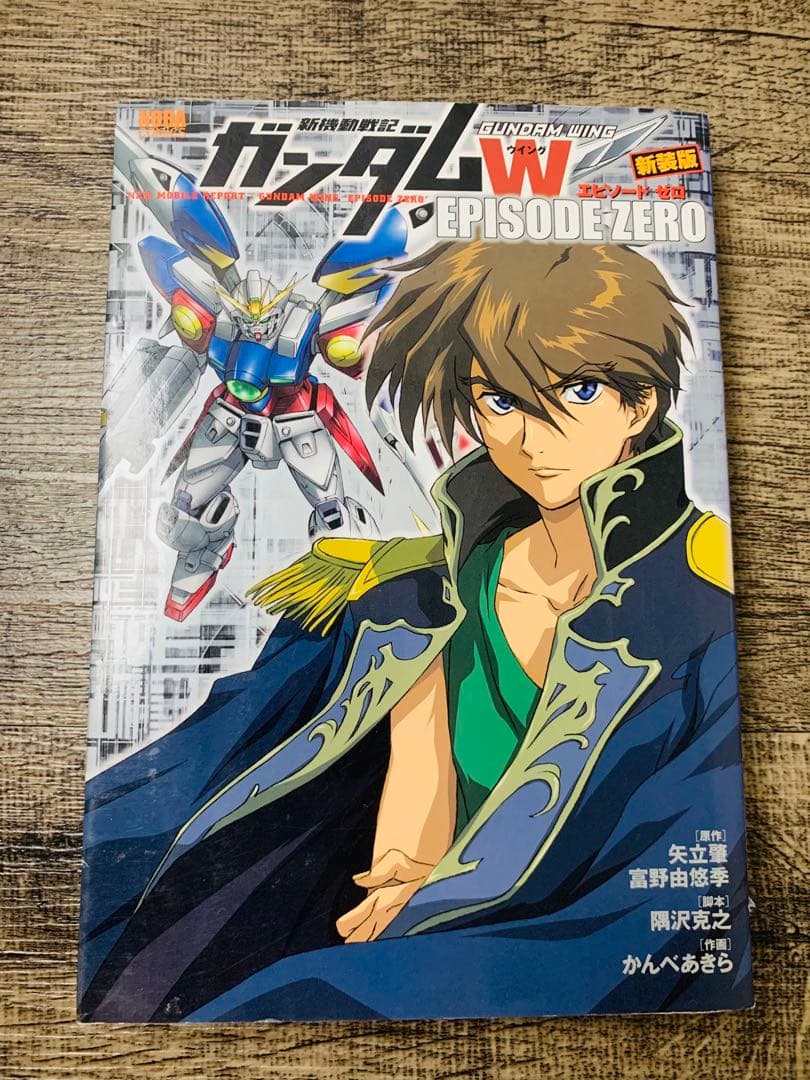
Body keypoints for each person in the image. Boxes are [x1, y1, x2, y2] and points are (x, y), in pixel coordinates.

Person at [78, 240, 752, 1022]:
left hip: (577, 944)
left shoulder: (700, 602)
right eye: (501, 401)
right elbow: (417, 796)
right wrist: (405, 878)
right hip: (419, 936)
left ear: (640, 403)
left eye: (578, 391)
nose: (533, 437)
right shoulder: (424, 591)